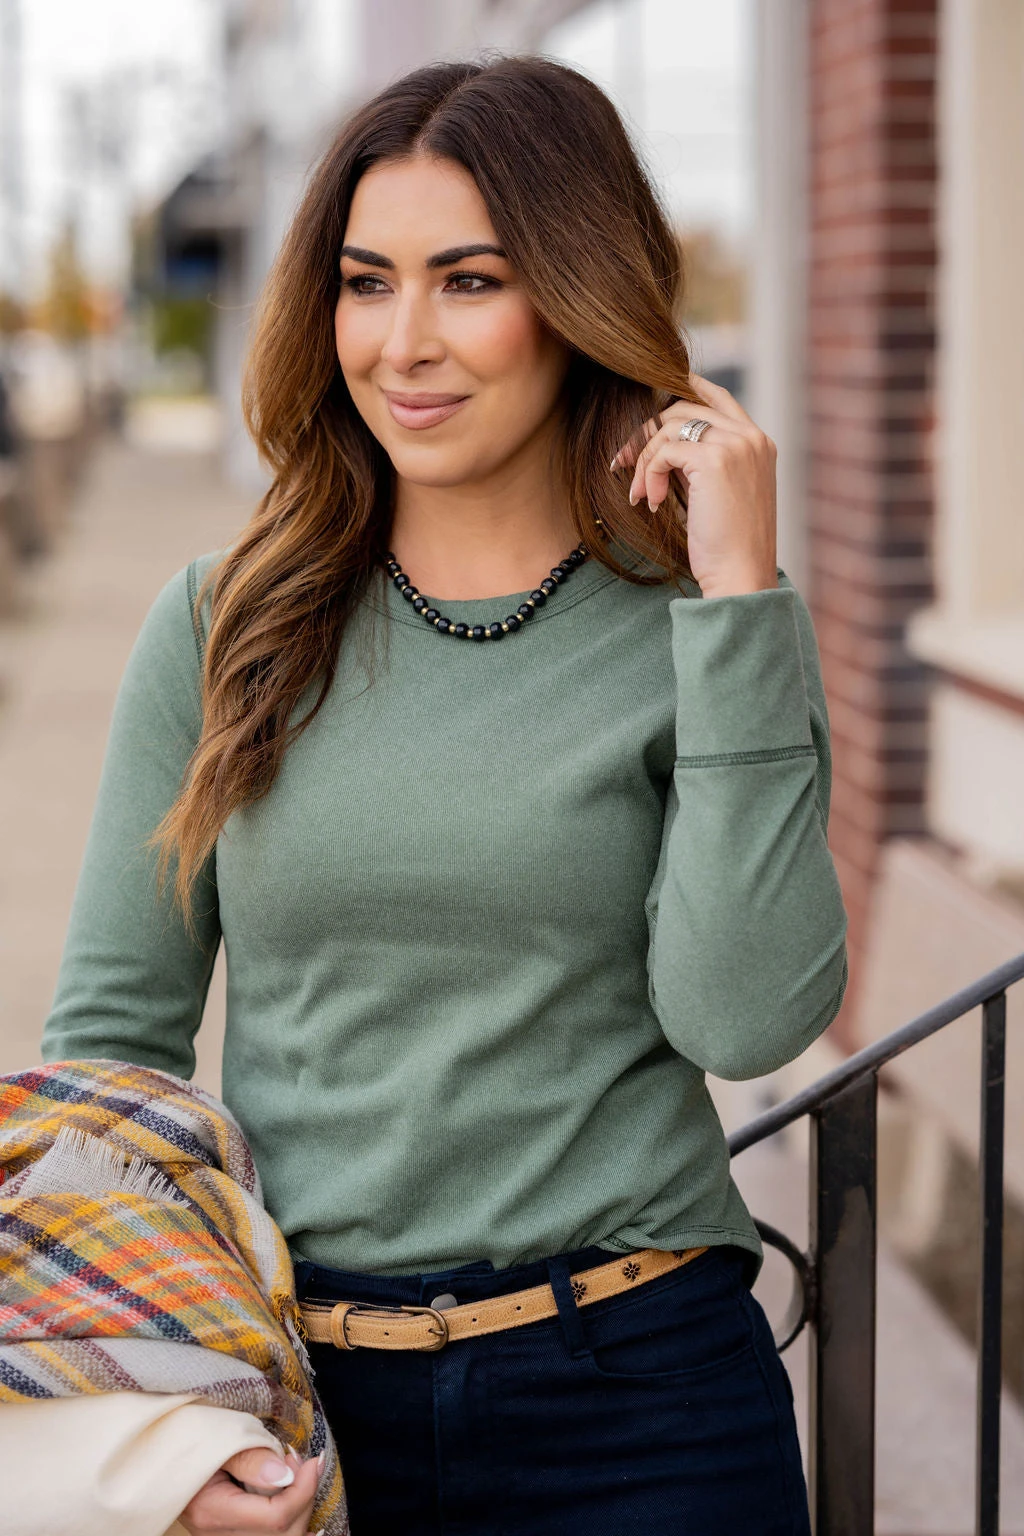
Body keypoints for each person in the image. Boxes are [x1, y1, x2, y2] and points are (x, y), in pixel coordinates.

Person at [40, 55, 848, 1536]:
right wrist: (163, 1425)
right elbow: (110, 1055)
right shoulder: (225, 625)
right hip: (297, 1411)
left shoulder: (708, 633)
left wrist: (739, 596)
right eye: (367, 283)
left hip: (644, 1401)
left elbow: (744, 1021)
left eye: (469, 281)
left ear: (579, 299)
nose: (402, 342)